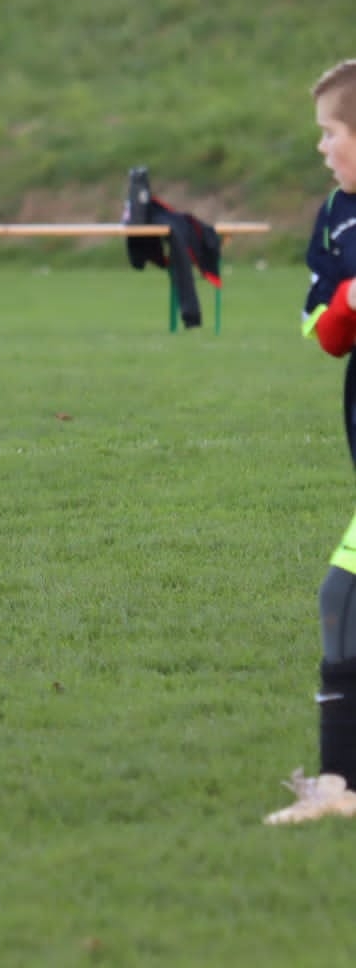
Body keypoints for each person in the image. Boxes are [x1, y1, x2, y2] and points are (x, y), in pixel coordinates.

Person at [267, 59, 356, 822]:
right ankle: (339, 788)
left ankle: (337, 787)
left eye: (332, 132)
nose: (322, 147)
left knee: (342, 597)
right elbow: (324, 331)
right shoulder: (336, 215)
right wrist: (351, 301)